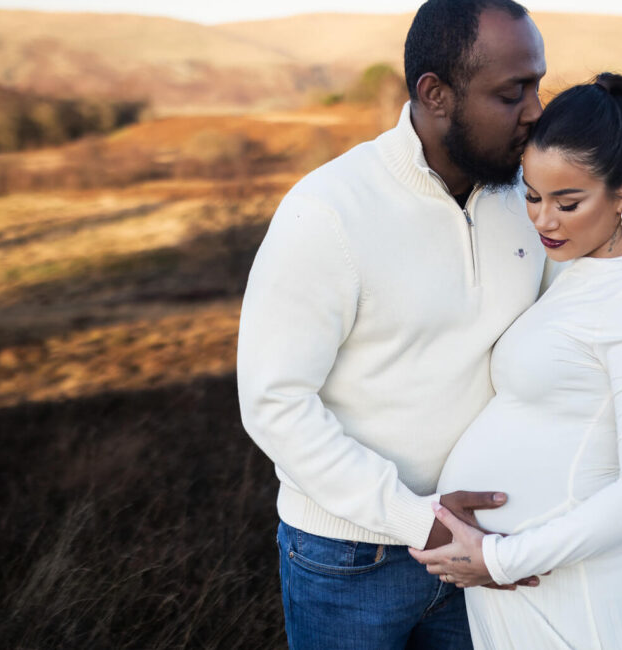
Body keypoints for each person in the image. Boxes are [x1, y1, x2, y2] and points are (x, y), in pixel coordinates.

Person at [236, 1, 548, 647]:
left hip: (490, 548)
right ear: (435, 94)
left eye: (539, 85)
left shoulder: (533, 200)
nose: (536, 110)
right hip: (351, 560)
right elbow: (274, 403)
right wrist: (421, 521)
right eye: (512, 92)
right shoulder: (327, 212)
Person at [410, 73, 622, 649]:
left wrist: (500, 557)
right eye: (532, 196)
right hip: (535, 594)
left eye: (568, 203)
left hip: (590, 604)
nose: (544, 221)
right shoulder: (579, 268)